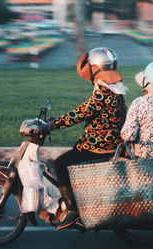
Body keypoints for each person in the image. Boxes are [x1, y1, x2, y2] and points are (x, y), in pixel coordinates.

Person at [28, 47, 128, 230]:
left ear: (96, 68)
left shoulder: (103, 92)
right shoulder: (114, 88)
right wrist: (55, 122)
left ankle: (73, 211)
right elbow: (86, 111)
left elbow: (80, 113)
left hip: (100, 146)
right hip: (109, 142)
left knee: (60, 163)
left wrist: (51, 125)